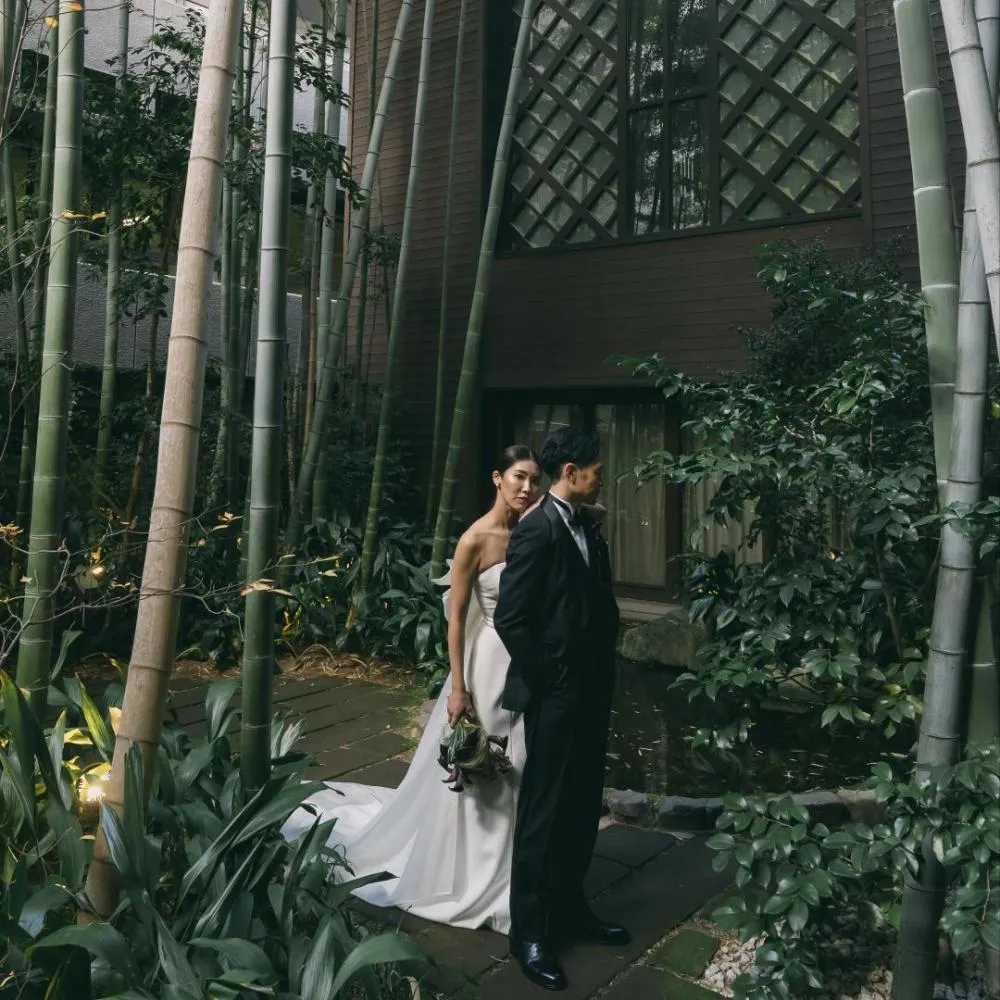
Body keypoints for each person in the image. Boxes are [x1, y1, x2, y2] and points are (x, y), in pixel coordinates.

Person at [281, 445, 543, 933]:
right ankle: (471, 874)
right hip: (487, 661)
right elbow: (456, 619)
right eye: (519, 477)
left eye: (534, 480)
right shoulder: (475, 539)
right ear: (497, 478)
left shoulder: (533, 531)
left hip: (525, 663)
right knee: (482, 760)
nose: (527, 488)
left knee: (520, 761)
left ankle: (513, 869)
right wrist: (459, 688)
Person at [494, 427, 628, 992]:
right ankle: (528, 934)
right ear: (570, 472)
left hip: (593, 690)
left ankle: (571, 908)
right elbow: (511, 618)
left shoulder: (586, 525)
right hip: (556, 694)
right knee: (544, 811)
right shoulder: (537, 529)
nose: (602, 479)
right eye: (596, 471)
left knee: (580, 803)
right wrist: (549, 679)